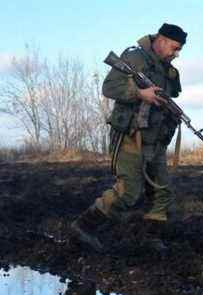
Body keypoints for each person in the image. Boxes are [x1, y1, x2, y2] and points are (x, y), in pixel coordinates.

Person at [71, 23, 187, 252]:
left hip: (155, 138)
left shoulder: (167, 70)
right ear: (161, 41)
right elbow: (109, 87)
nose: (176, 54)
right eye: (174, 48)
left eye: (179, 49)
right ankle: (83, 227)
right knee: (129, 191)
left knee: (162, 190)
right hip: (130, 136)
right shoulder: (135, 59)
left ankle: (151, 239)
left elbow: (167, 95)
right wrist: (139, 93)